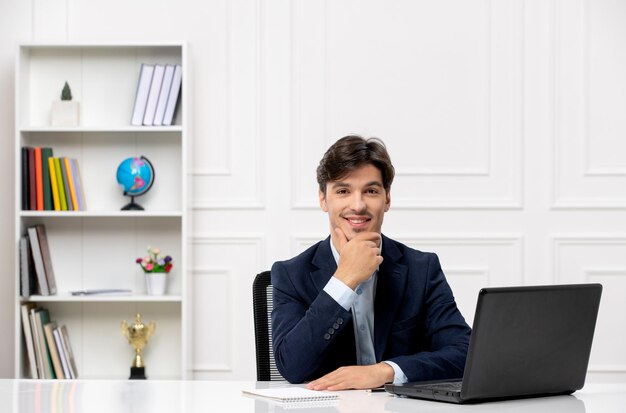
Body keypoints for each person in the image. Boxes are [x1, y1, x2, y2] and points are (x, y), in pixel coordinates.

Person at [271, 135, 471, 390]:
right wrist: (344, 280)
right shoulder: (291, 274)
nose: (358, 205)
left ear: (387, 199)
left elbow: (464, 353)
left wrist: (385, 371)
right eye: (343, 191)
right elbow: (292, 366)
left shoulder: (422, 268)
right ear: (323, 199)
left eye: (371, 191)